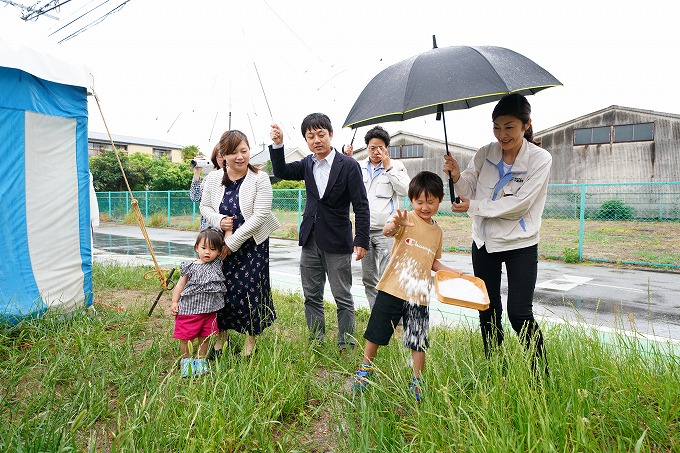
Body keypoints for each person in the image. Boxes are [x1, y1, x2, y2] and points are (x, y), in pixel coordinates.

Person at [443, 92, 552, 375]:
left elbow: (519, 205)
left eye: (509, 127)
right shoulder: (484, 153)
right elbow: (466, 188)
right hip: (484, 243)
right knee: (488, 310)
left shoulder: (540, 159)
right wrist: (456, 176)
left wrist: (475, 205)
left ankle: (540, 373)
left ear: (526, 125)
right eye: (496, 126)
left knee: (519, 313)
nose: (502, 134)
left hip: (521, 244)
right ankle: (495, 368)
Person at [352, 171, 461, 402]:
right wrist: (395, 223)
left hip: (418, 295)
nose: (424, 207)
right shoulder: (405, 219)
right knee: (376, 334)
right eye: (419, 201)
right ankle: (365, 371)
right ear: (412, 201)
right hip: (392, 288)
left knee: (417, 340)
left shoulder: (437, 231)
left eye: (430, 202)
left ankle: (417, 381)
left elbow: (432, 261)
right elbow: (387, 230)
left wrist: (452, 272)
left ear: (440, 200)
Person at [269, 113, 370, 352]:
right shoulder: (307, 163)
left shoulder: (349, 165)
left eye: (320, 134)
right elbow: (281, 171)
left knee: (342, 296)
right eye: (310, 136)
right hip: (310, 238)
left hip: (337, 240)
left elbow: (361, 204)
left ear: (331, 134)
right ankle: (316, 341)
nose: (316, 140)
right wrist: (278, 143)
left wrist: (362, 239)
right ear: (306, 139)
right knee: (311, 295)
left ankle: (345, 343)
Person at [200, 130, 280, 357]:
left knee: (249, 289)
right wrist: (219, 220)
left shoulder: (260, 178)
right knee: (220, 289)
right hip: (221, 242)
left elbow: (261, 214)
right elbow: (204, 207)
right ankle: (220, 338)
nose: (240, 157)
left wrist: (233, 242)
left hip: (252, 243)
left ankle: (250, 342)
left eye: (244, 151)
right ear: (223, 155)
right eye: (233, 152)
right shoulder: (214, 178)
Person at [346, 125, 410, 309]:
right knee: (368, 276)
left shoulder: (396, 166)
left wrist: (389, 168)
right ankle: (376, 314)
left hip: (387, 232)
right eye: (372, 148)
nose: (376, 152)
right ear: (367, 148)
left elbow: (405, 190)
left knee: (388, 274)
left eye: (380, 147)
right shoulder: (358, 166)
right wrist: (346, 159)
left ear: (387, 148)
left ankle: (392, 315)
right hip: (364, 231)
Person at [170, 228, 227, 377]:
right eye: (203, 248)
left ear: (219, 251)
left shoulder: (216, 264)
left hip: (209, 312)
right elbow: (180, 285)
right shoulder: (190, 266)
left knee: (205, 337)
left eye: (213, 249)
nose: (207, 252)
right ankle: (187, 362)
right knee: (186, 338)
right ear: (196, 248)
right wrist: (174, 302)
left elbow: (227, 245)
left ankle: (201, 360)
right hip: (189, 311)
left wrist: (227, 230)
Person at [189, 144, 225, 231]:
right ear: (215, 158)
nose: (224, 160)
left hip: (226, 227)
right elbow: (195, 197)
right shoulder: (210, 177)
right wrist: (197, 171)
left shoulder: (237, 177)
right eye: (220, 157)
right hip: (208, 229)